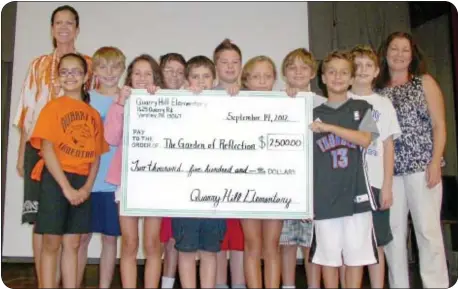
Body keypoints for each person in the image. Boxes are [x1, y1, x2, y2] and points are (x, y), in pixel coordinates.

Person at [13, 5, 93, 287]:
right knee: (42, 223)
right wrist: (23, 152)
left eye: (69, 23)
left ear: (77, 28)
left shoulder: (89, 63)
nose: (63, 27)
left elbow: (97, 104)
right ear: (51, 28)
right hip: (39, 149)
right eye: (58, 22)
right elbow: (26, 110)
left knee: (76, 232)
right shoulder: (37, 65)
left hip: (76, 151)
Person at [376, 31, 449, 288]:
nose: (399, 54)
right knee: (394, 236)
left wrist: (435, 161)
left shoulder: (424, 82)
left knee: (428, 232)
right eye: (394, 49)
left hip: (422, 168)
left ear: (412, 55)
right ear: (385, 54)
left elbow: (440, 125)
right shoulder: (376, 90)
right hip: (389, 173)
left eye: (405, 50)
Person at [29, 52, 108, 288]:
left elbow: (95, 157)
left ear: (85, 77)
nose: (70, 76)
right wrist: (66, 188)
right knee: (51, 243)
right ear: (58, 77)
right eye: (64, 71)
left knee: (73, 244)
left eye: (75, 71)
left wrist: (85, 188)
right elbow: (47, 149)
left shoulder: (93, 115)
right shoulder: (52, 108)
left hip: (81, 182)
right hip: (56, 180)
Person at [309, 50, 379, 289]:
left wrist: (329, 127)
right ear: (323, 78)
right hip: (325, 196)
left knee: (356, 258)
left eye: (344, 72)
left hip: (355, 194)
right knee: (329, 259)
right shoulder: (312, 113)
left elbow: (366, 139)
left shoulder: (363, 106)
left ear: (351, 79)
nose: (337, 76)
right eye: (331, 72)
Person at [339, 44, 401, 288]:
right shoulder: (340, 99)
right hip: (345, 184)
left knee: (377, 244)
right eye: (357, 65)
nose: (362, 70)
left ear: (376, 71)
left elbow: (388, 147)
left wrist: (387, 186)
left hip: (375, 182)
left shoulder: (383, 104)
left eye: (368, 65)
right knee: (347, 244)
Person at [104, 54, 163, 288]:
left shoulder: (164, 100)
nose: (142, 78)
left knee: (152, 244)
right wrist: (120, 103)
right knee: (129, 242)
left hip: (155, 181)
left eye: (147, 73)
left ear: (155, 77)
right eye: (137, 73)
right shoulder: (121, 102)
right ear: (130, 76)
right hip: (127, 180)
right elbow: (110, 137)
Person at [172, 55, 227, 289]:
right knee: (185, 250)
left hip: (216, 192)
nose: (201, 81)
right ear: (187, 81)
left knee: (210, 250)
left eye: (206, 76)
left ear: (214, 80)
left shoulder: (226, 105)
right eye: (195, 76)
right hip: (184, 192)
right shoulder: (176, 104)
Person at [76, 46, 126, 288]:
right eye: (103, 66)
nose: (109, 72)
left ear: (123, 69)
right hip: (88, 180)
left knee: (110, 239)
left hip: (114, 183)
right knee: (81, 238)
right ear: (94, 70)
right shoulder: (86, 99)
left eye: (115, 66)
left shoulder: (129, 98)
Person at [279, 48, 325, 289]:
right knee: (286, 242)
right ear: (284, 73)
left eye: (304, 68)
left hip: (312, 183)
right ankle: (288, 285)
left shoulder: (323, 105)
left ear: (312, 73)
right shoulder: (278, 101)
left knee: (310, 243)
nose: (298, 72)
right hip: (285, 183)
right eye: (292, 67)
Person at [239, 55, 283, 289]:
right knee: (252, 244)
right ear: (246, 80)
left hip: (276, 184)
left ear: (275, 79)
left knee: (271, 246)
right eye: (256, 76)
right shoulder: (235, 105)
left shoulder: (286, 105)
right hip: (246, 184)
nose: (262, 81)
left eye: (267, 76)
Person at [212, 39, 246, 289]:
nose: (230, 66)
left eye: (235, 62)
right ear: (216, 65)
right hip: (213, 178)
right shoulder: (201, 96)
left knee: (241, 238)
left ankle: (240, 284)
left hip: (244, 178)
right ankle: (221, 284)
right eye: (224, 61)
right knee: (219, 237)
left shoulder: (254, 96)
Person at [158, 52, 186, 289]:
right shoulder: (150, 99)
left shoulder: (194, 99)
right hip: (158, 179)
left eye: (180, 71)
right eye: (169, 70)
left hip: (184, 180)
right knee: (159, 239)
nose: (175, 76)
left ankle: (169, 282)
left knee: (175, 238)